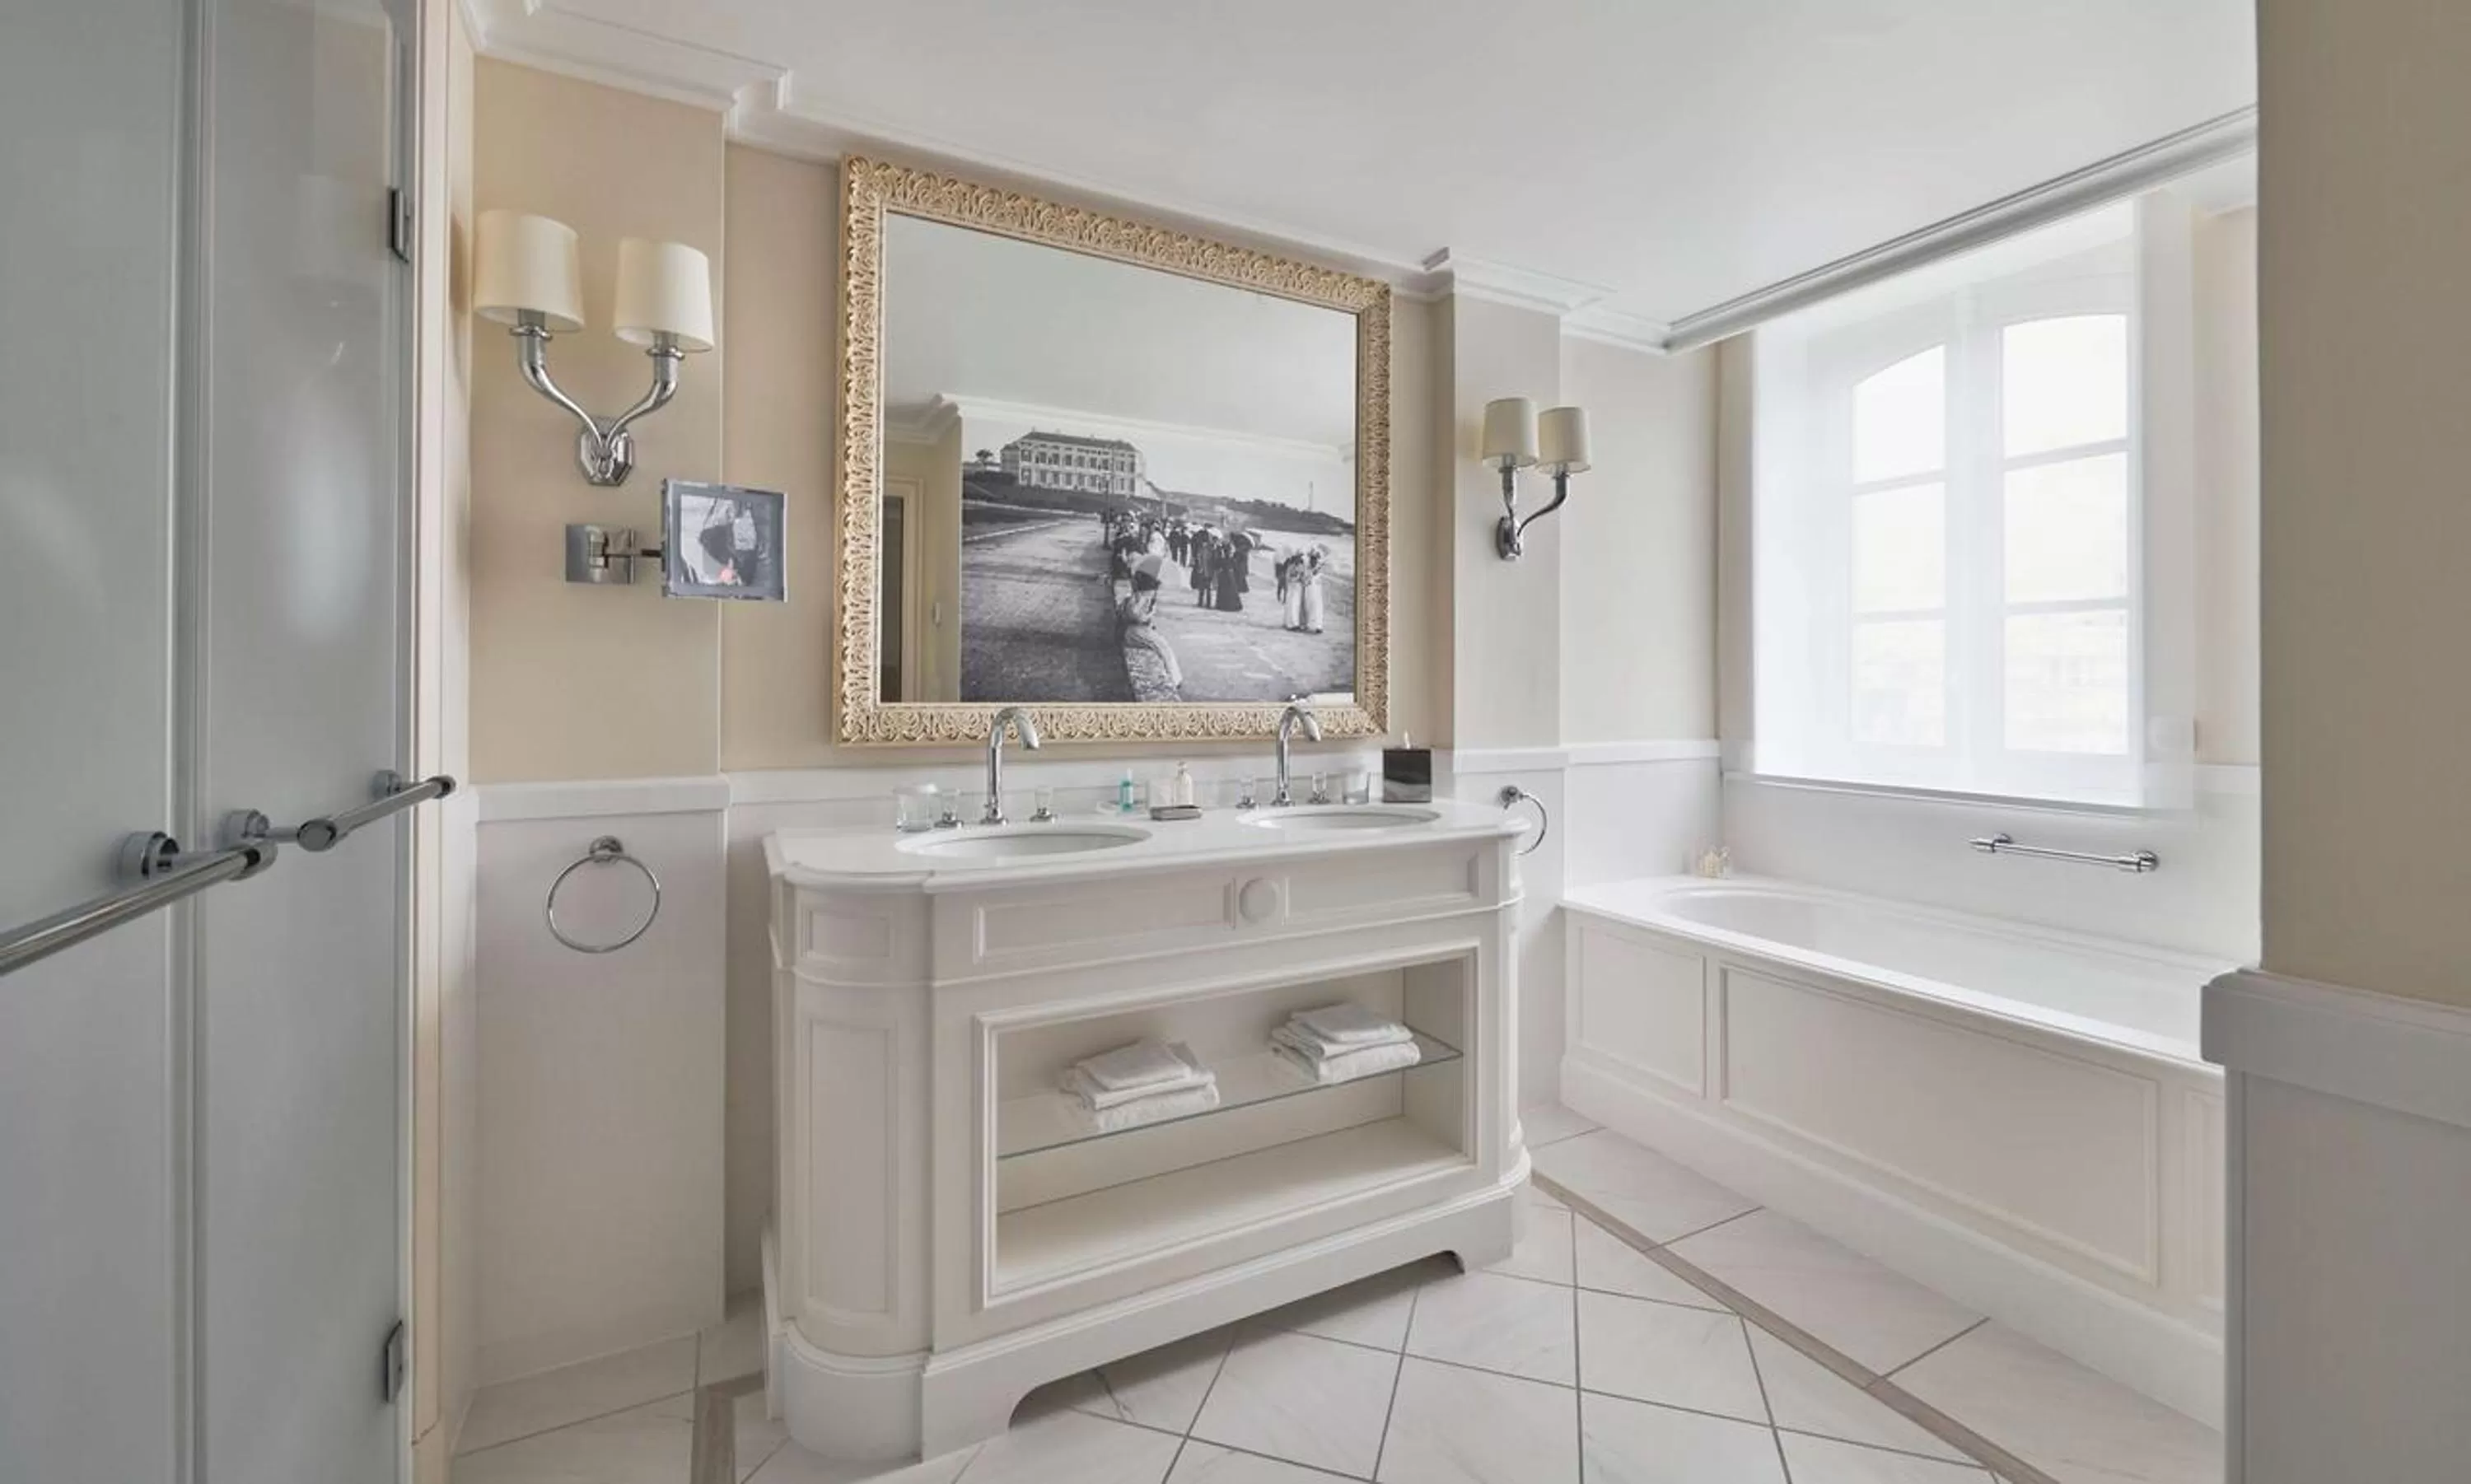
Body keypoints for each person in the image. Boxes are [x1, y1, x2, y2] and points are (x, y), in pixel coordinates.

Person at [1118, 564, 1183, 690]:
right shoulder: (1141, 597)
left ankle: (1174, 677)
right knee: (1162, 647)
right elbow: (1135, 616)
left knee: (1162, 646)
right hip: (1136, 631)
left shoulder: (1141, 596)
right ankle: (1175, 679)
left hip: (1137, 631)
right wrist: (1149, 614)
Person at [1300, 545, 1328, 634]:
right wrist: (1310, 575)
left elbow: (1319, 579)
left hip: (1317, 592)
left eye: (1315, 560)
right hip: (1309, 591)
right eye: (1312, 560)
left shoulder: (1319, 571)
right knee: (1309, 607)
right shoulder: (1307, 569)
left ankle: (1318, 626)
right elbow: (1304, 580)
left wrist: (1315, 572)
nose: (1313, 561)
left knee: (1317, 608)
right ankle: (1309, 624)